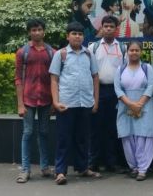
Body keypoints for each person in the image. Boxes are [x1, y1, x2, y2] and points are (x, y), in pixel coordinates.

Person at [49, 21, 101, 185]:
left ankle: (83, 168)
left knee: (83, 138)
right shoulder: (61, 54)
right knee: (64, 138)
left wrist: (96, 101)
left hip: (85, 102)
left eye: (80, 34)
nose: (77, 36)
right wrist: (56, 102)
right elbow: (54, 80)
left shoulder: (88, 54)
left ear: (83, 37)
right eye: (74, 34)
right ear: (68, 36)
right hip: (66, 103)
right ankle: (60, 171)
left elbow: (95, 77)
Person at [14, 18, 54, 183]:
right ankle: (25, 170)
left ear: (44, 31)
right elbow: (18, 79)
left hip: (46, 99)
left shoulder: (52, 52)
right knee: (28, 133)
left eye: (39, 29)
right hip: (28, 100)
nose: (36, 32)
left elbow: (55, 79)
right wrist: (20, 104)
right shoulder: (22, 52)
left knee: (44, 133)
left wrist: (54, 102)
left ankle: (45, 167)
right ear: (29, 32)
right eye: (33, 30)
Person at [114, 41, 153, 181]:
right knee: (128, 137)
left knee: (143, 137)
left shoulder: (147, 68)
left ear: (141, 52)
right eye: (131, 50)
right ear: (127, 52)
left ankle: (143, 169)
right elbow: (118, 89)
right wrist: (131, 104)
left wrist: (140, 104)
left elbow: (151, 86)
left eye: (137, 50)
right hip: (125, 106)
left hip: (145, 106)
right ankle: (134, 167)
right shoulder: (120, 69)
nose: (134, 53)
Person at [88, 16, 124, 172]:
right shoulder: (93, 48)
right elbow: (88, 71)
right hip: (98, 91)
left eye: (111, 26)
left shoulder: (123, 48)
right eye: (106, 26)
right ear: (101, 28)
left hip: (116, 92)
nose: (108, 29)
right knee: (95, 128)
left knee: (112, 128)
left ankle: (111, 162)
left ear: (116, 29)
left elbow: (127, 70)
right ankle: (92, 162)